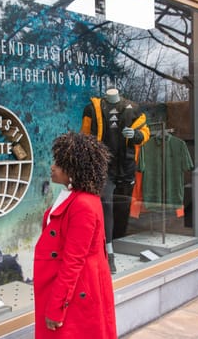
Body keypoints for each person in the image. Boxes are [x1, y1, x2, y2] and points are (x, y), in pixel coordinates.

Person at [33, 132, 117, 338]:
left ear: (74, 170)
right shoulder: (75, 197)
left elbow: (73, 261)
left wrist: (56, 307)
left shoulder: (82, 204)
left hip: (77, 292)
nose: (52, 167)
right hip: (72, 287)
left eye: (59, 163)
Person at [80, 88, 150, 273]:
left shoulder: (133, 109)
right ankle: (108, 253)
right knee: (106, 203)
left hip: (126, 166)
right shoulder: (92, 109)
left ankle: (117, 242)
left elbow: (145, 133)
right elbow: (85, 137)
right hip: (103, 167)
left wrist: (135, 136)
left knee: (123, 206)